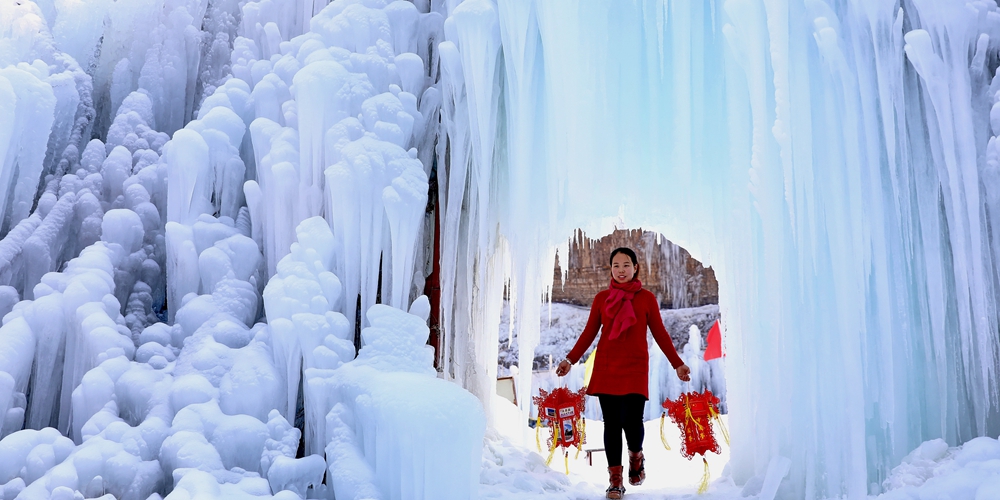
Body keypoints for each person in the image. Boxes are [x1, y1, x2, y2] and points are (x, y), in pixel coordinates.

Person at [555, 247, 690, 499]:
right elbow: (589, 333)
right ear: (611, 269)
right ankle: (615, 481)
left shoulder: (647, 298)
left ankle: (636, 456)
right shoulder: (601, 299)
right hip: (607, 367)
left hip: (635, 367)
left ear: (636, 267)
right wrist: (570, 359)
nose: (621, 270)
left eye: (626, 265)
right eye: (616, 265)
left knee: (632, 420)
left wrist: (677, 363)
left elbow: (660, 333)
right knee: (612, 424)